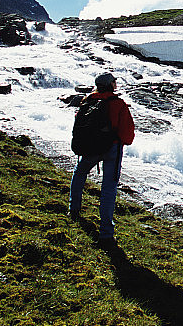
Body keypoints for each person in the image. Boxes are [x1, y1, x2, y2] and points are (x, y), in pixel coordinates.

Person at [68, 73, 135, 247]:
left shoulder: (87, 101)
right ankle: (106, 232)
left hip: (90, 147)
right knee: (108, 188)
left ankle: (73, 210)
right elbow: (127, 134)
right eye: (114, 82)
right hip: (112, 148)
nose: (116, 84)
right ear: (111, 85)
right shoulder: (118, 104)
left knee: (80, 173)